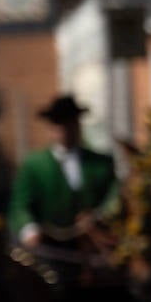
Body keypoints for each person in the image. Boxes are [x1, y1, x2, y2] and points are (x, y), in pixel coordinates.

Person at [8, 94, 119, 251]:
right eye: (58, 125)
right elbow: (19, 205)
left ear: (77, 125)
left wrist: (98, 217)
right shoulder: (34, 165)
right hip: (50, 245)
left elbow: (114, 197)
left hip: (93, 244)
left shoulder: (101, 163)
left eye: (69, 124)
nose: (64, 131)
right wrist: (29, 229)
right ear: (50, 128)